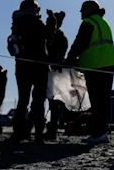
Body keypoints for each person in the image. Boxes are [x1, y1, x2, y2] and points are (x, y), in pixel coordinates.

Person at [6, 0, 57, 144]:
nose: (38, 11)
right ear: (30, 9)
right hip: (39, 66)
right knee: (38, 101)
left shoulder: (16, 23)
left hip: (21, 65)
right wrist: (52, 20)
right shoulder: (35, 22)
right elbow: (48, 35)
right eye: (37, 8)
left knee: (23, 100)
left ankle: (18, 133)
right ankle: (38, 135)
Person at [66, 0, 114, 145]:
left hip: (95, 65)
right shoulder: (103, 22)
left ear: (89, 9)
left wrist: (69, 59)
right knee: (103, 101)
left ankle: (98, 134)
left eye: (82, 9)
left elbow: (80, 43)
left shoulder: (89, 22)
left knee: (96, 101)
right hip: (108, 65)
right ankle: (103, 132)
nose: (80, 12)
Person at [45, 11, 68, 140]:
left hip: (52, 71)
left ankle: (52, 129)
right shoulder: (61, 37)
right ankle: (51, 128)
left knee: (52, 102)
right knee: (53, 102)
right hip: (56, 71)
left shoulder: (55, 37)